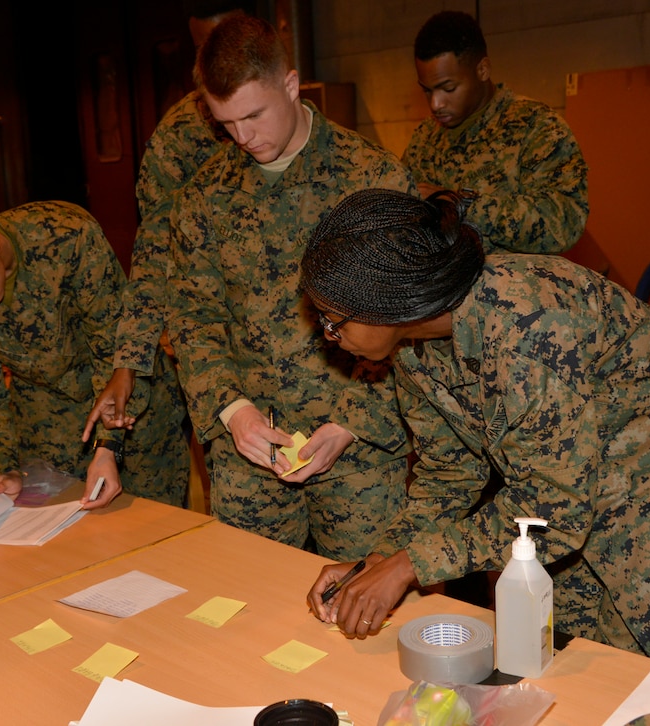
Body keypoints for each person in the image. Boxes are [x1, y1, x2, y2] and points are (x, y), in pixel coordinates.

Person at [302, 189, 650, 674]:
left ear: (391, 304)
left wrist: (410, 565)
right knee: (556, 668)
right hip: (576, 499)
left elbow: (553, 508)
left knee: (638, 690)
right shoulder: (414, 341)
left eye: (332, 320)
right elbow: (448, 473)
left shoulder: (529, 325)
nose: (327, 334)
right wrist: (379, 561)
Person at [165, 15, 416, 560]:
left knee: (364, 607)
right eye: (225, 122)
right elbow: (193, 319)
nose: (243, 136)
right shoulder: (204, 196)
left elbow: (410, 324)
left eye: (253, 114)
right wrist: (232, 412)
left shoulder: (372, 179)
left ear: (291, 83)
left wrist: (353, 421)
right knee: (247, 613)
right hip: (249, 453)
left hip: (359, 452)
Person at [0, 201, 188, 509]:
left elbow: (118, 347)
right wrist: (4, 466)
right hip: (48, 430)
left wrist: (107, 445)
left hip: (135, 416)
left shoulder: (66, 236)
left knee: (155, 533)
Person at [83, 0, 248, 439]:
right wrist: (129, 362)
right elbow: (155, 255)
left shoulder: (300, 123)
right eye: (203, 46)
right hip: (220, 362)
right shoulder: (179, 139)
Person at [401, 10, 588, 254]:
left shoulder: (536, 127)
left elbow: (563, 225)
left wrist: (460, 205)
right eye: (427, 91)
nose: (436, 104)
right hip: (441, 287)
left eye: (448, 88)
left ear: (483, 70)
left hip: (515, 288)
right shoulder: (425, 139)